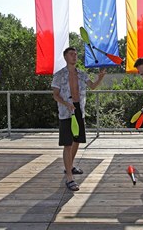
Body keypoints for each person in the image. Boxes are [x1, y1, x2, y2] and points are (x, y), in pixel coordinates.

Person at [52, 47, 106, 191]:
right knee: (67, 144)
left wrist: (100, 78)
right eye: (71, 54)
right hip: (65, 111)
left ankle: (70, 165)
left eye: (76, 54)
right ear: (65, 57)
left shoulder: (82, 74)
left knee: (77, 141)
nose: (74, 56)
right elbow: (55, 95)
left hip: (79, 110)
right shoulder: (59, 75)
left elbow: (93, 86)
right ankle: (69, 177)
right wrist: (66, 104)